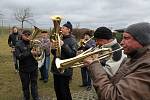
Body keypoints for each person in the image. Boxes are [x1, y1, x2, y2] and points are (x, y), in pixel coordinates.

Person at [84, 22, 150, 100]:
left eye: (126, 38)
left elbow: (113, 96)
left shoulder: (146, 66)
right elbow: (114, 80)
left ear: (142, 40)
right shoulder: (132, 57)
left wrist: (94, 65)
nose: (121, 42)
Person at [51, 21, 78, 100]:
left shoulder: (73, 40)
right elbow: (55, 54)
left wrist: (63, 45)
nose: (61, 29)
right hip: (56, 68)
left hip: (65, 70)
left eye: (63, 28)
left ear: (68, 30)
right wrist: (53, 48)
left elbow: (73, 55)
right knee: (57, 90)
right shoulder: (59, 37)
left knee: (64, 91)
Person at [15, 30, 39, 100]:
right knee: (25, 85)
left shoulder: (34, 42)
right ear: (22, 35)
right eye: (26, 35)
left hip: (34, 67)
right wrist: (30, 53)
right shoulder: (18, 44)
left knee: (34, 83)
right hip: (24, 69)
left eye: (29, 35)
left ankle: (35, 97)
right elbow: (18, 56)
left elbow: (39, 54)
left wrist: (38, 52)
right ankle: (26, 97)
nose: (27, 36)